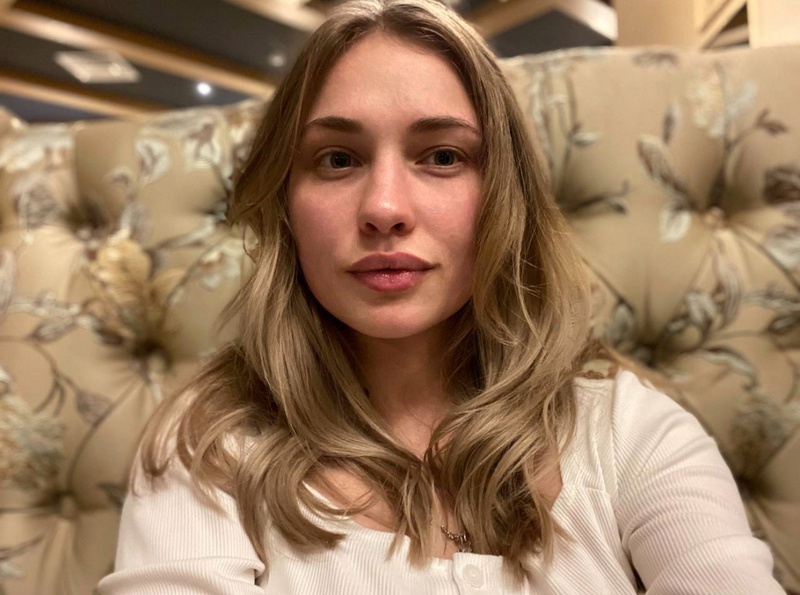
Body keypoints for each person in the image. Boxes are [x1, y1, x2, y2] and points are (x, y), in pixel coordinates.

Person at [97, 0, 785, 593]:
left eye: (443, 156)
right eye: (337, 159)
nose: (384, 208)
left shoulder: (627, 431)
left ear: (505, 196)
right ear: (284, 203)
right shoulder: (210, 446)